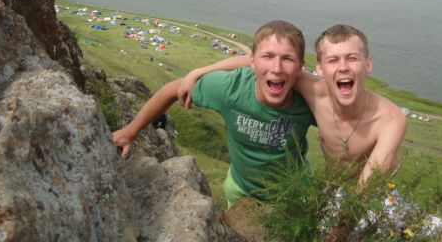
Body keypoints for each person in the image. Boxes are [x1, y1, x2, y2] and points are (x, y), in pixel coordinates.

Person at [112, 20, 316, 208]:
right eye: (268, 56)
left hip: (296, 191)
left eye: (287, 59)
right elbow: (171, 90)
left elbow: (337, 127)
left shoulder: (310, 100)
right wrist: (130, 132)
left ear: (300, 67)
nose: (277, 68)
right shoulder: (231, 88)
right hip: (241, 190)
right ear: (252, 62)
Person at [179, 24, 407, 187]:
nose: (343, 67)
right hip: (333, 187)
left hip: (374, 194)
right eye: (333, 60)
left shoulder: (391, 119)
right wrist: (197, 72)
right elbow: (254, 62)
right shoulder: (312, 90)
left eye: (352, 58)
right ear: (319, 68)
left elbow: (365, 191)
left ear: (368, 65)